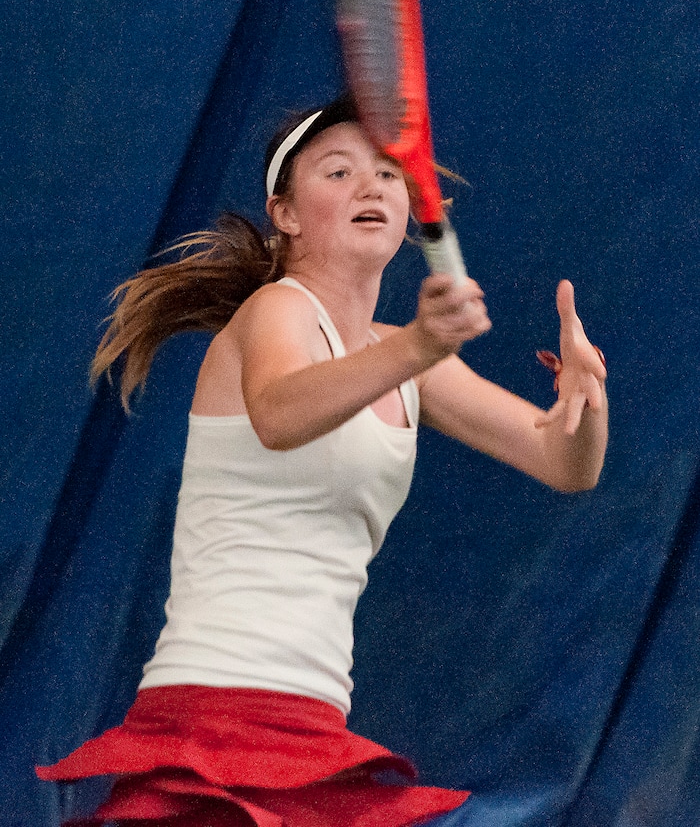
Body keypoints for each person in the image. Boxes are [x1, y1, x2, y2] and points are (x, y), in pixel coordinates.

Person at [37, 95, 608, 827]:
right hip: (212, 716)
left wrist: (587, 399)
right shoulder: (277, 311)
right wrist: (419, 346)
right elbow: (279, 414)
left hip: (309, 729)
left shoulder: (404, 358)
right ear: (286, 214)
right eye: (337, 172)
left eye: (387, 174)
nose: (369, 185)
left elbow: (566, 464)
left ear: (408, 215)